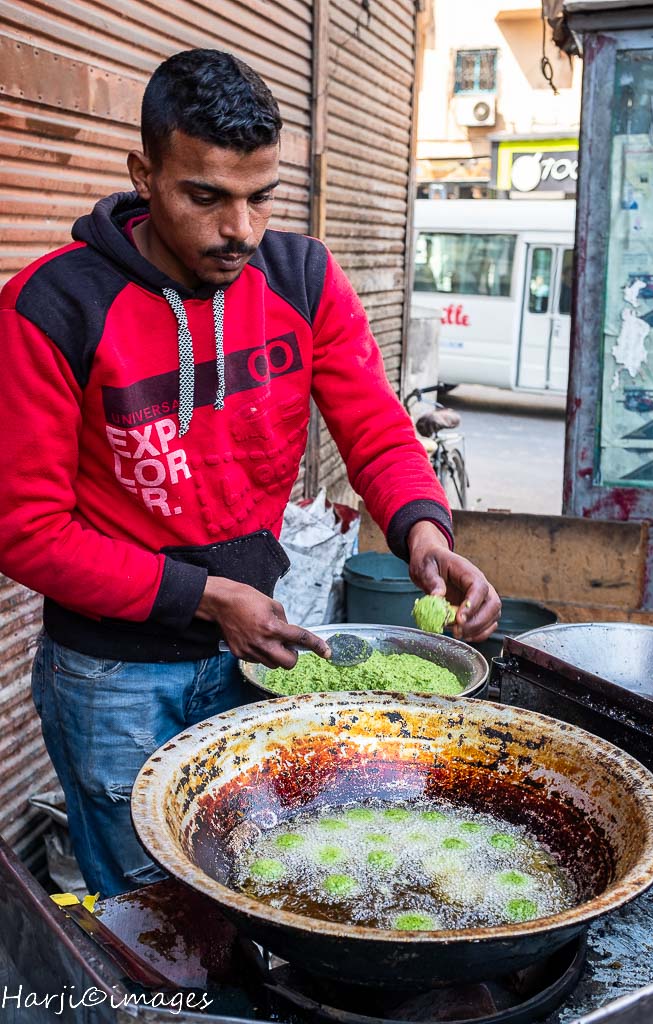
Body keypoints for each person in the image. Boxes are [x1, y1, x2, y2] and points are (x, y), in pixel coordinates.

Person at [0, 49, 501, 897]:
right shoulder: (53, 308)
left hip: (258, 656)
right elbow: (26, 529)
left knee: (254, 884)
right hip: (112, 680)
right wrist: (206, 597)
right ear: (145, 175)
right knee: (149, 915)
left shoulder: (301, 278)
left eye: (260, 197)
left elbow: (374, 429)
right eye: (207, 197)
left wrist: (423, 530)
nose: (240, 229)